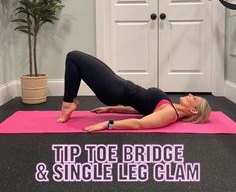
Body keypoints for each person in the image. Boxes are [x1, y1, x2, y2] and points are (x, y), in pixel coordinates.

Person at [57, 51, 211, 132]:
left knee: (73, 57)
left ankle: (67, 104)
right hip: (118, 86)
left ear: (193, 111)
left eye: (195, 98)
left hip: (115, 89)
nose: (191, 94)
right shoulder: (171, 107)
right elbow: (138, 109)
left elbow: (140, 124)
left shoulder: (170, 114)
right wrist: (111, 109)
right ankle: (68, 103)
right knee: (75, 60)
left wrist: (108, 124)